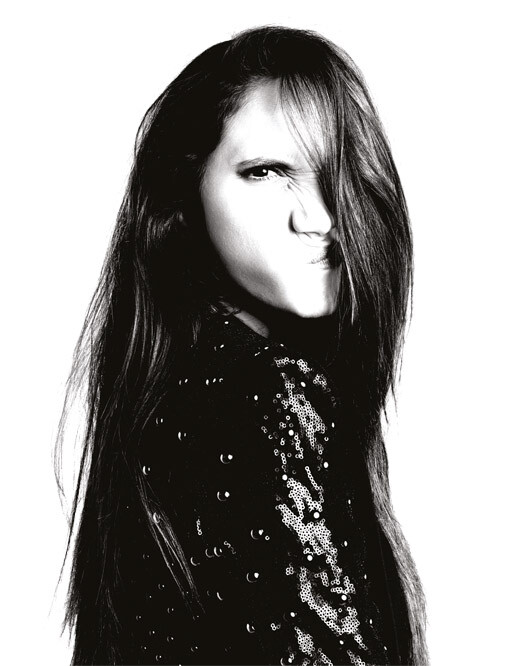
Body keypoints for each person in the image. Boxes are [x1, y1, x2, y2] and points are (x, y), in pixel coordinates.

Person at [57, 26, 428, 665]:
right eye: (265, 172)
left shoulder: (157, 402)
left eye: (336, 173)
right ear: (184, 191)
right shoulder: (270, 392)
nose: (318, 218)